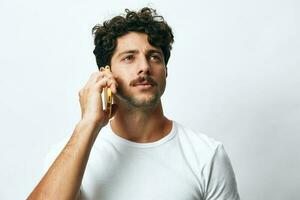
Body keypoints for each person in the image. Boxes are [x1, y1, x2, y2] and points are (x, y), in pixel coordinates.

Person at [28, 7, 240, 200]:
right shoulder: (71, 153)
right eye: (129, 58)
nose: (145, 67)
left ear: (166, 71)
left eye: (154, 57)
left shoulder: (207, 155)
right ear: (106, 73)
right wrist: (88, 124)